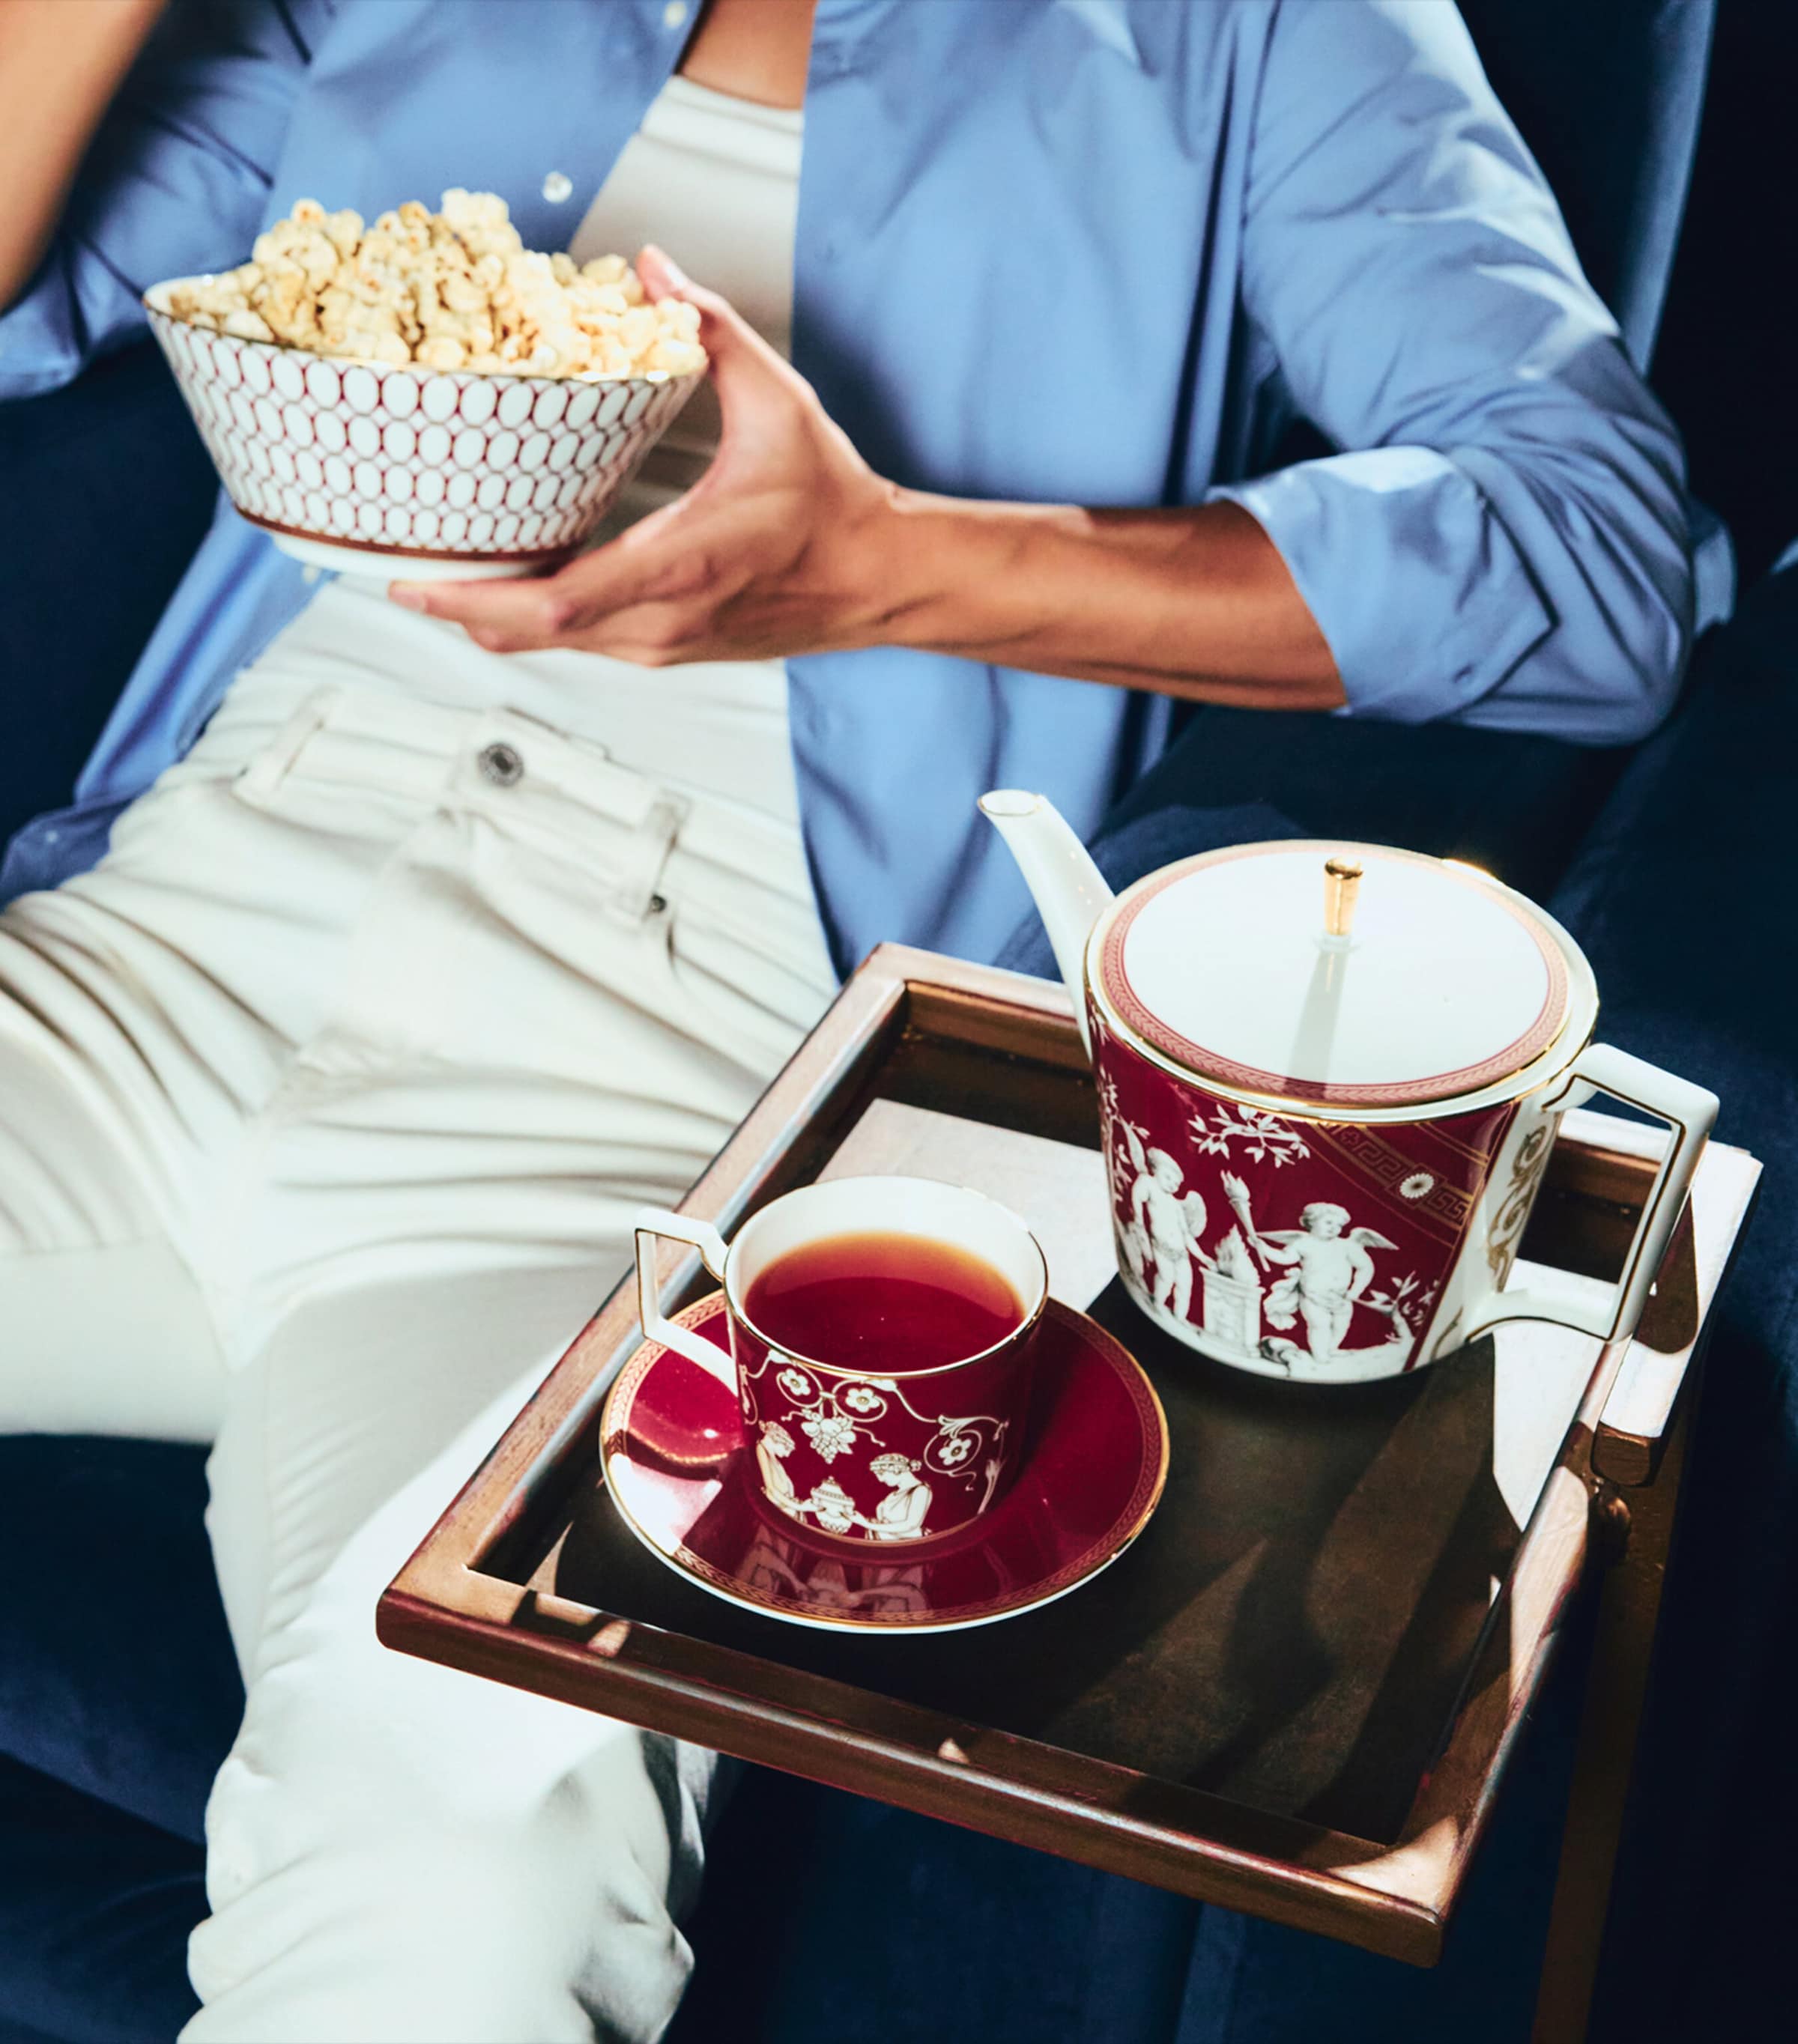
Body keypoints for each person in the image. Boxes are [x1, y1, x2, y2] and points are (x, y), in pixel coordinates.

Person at [0, 0, 1702, 2037]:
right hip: (173, 932)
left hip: (670, 1098)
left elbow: (1602, 556)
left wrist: (894, 571)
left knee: (456, 1901)